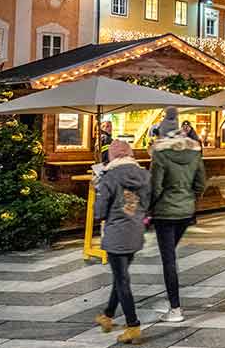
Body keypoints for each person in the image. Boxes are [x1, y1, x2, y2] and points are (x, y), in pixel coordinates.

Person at [149, 107, 206, 322]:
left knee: (168, 260)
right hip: (186, 211)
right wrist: (189, 197)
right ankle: (172, 304)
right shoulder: (194, 152)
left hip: (166, 212)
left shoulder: (161, 155)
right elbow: (201, 183)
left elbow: (155, 187)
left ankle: (175, 308)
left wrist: (148, 207)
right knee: (170, 253)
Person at [93, 140, 150, 344]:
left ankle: (133, 325)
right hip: (135, 232)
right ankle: (107, 315)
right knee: (121, 276)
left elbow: (99, 211)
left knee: (122, 280)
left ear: (112, 156)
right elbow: (149, 201)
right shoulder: (143, 174)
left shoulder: (109, 177)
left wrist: (97, 187)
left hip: (116, 234)